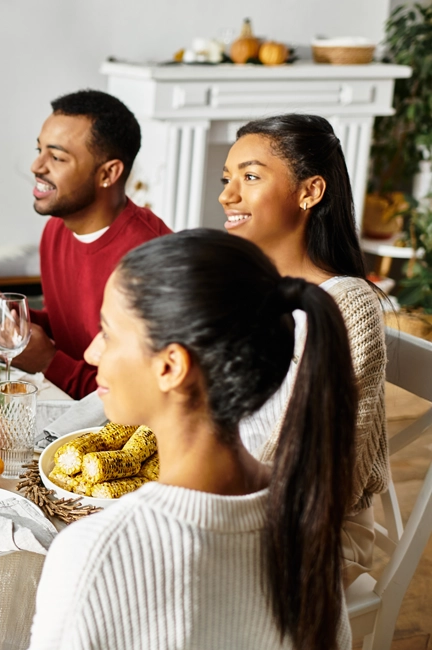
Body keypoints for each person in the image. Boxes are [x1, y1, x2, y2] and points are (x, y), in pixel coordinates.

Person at [30, 229, 353, 650]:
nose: (92, 354)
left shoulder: (95, 553)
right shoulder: (306, 520)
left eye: (107, 333)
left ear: (171, 367)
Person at [221, 113, 387, 585]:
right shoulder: (244, 286)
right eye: (227, 178)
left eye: (250, 177)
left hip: (309, 532)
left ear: (310, 192)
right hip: (231, 496)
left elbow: (328, 473)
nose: (227, 195)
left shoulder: (347, 305)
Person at [0, 90, 171, 399]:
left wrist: (47, 362)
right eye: (39, 149)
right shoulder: (57, 228)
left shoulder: (152, 262)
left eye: (57, 157)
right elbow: (72, 330)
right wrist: (15, 317)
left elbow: (140, 394)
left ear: (108, 173)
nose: (36, 166)